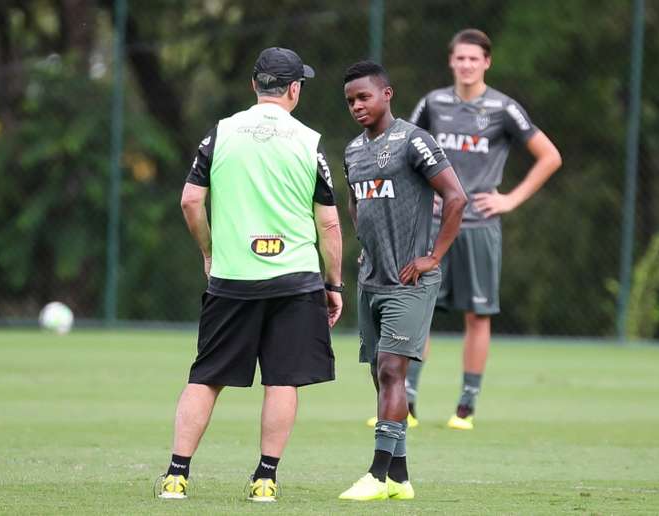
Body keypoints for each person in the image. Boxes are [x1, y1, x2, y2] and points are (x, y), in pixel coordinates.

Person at [157, 47, 343, 503]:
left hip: (232, 277)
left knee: (206, 377)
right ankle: (265, 479)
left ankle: (176, 476)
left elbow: (189, 201)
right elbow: (330, 224)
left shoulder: (218, 135)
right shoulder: (309, 140)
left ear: (254, 87)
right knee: (283, 379)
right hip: (295, 279)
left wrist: (209, 251)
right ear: (294, 89)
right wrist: (333, 284)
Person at [407, 28, 562, 430]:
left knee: (477, 315)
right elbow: (403, 149)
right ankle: (404, 402)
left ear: (487, 62)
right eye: (460, 58)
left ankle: (466, 407)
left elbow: (550, 156)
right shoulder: (433, 103)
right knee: (418, 309)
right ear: (451, 61)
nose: (466, 65)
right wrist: (425, 192)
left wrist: (510, 199)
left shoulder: (503, 109)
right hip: (434, 226)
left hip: (478, 225)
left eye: (474, 58)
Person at [338, 61, 467, 501]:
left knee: (393, 370)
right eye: (351, 100)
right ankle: (399, 478)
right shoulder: (353, 151)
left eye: (364, 97)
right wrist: (364, 242)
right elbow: (357, 204)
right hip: (371, 279)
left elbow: (456, 196)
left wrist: (434, 255)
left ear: (386, 94)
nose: (357, 105)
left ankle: (375, 476)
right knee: (381, 375)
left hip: (409, 281)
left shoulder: (415, 140)